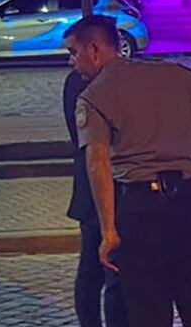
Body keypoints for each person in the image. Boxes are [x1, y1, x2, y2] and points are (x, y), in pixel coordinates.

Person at [68, 15, 191, 327]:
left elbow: (98, 162)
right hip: (190, 200)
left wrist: (108, 231)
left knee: (147, 308)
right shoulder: (168, 73)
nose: (72, 62)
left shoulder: (93, 96)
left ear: (94, 49)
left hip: (140, 209)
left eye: (74, 52)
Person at [65, 66, 127, 326]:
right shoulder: (82, 83)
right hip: (97, 191)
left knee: (99, 274)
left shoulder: (114, 79)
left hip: (111, 191)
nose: (71, 60)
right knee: (100, 273)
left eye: (74, 52)